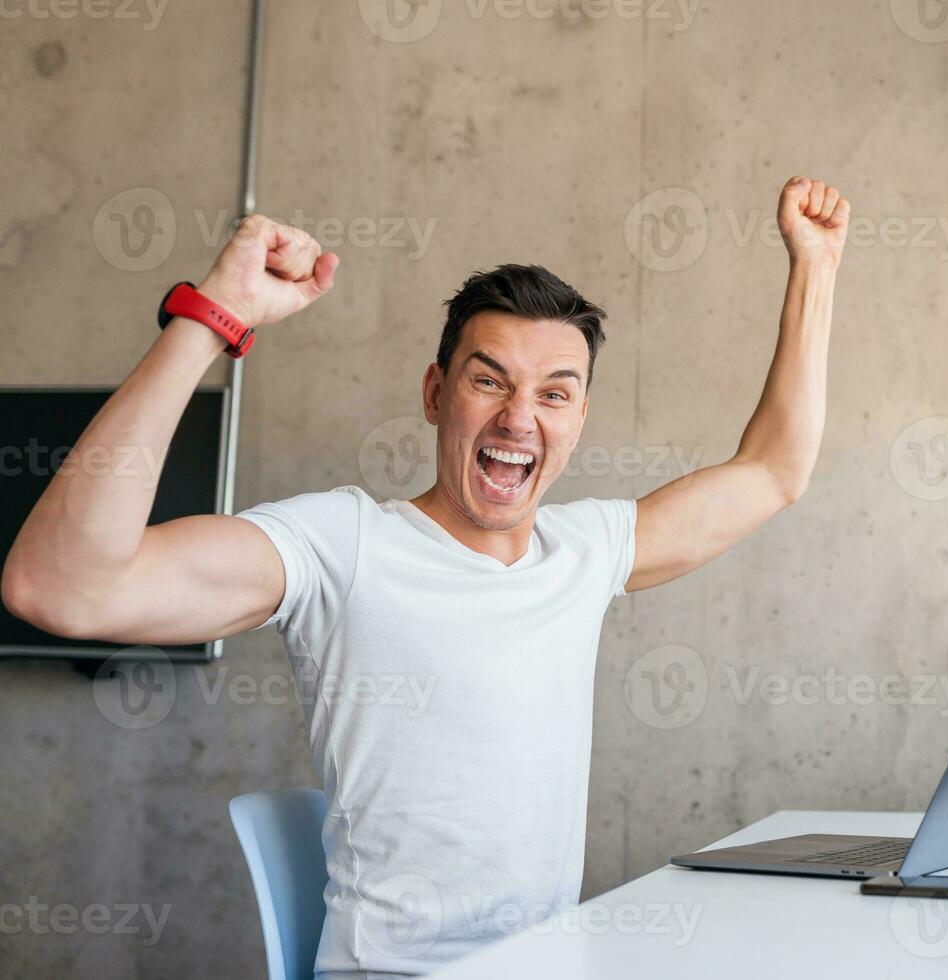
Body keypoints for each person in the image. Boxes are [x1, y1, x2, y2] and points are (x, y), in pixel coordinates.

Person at [1, 175, 850, 977]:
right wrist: (210, 317)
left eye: (555, 394)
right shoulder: (342, 544)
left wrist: (816, 267)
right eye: (490, 381)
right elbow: (59, 587)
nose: (520, 416)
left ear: (579, 419)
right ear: (437, 392)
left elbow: (774, 469)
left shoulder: (584, 554)